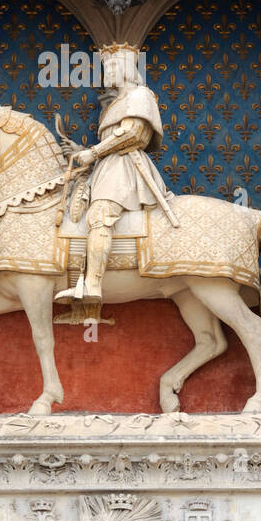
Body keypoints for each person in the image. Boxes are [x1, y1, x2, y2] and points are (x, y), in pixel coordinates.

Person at [55, 45, 174, 317]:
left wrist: (93, 152)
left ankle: (93, 285)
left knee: (100, 214)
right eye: (105, 67)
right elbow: (110, 140)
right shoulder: (117, 103)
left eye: (111, 67)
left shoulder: (140, 95)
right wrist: (80, 151)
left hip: (126, 166)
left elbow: (133, 133)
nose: (107, 72)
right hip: (107, 166)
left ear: (126, 69)